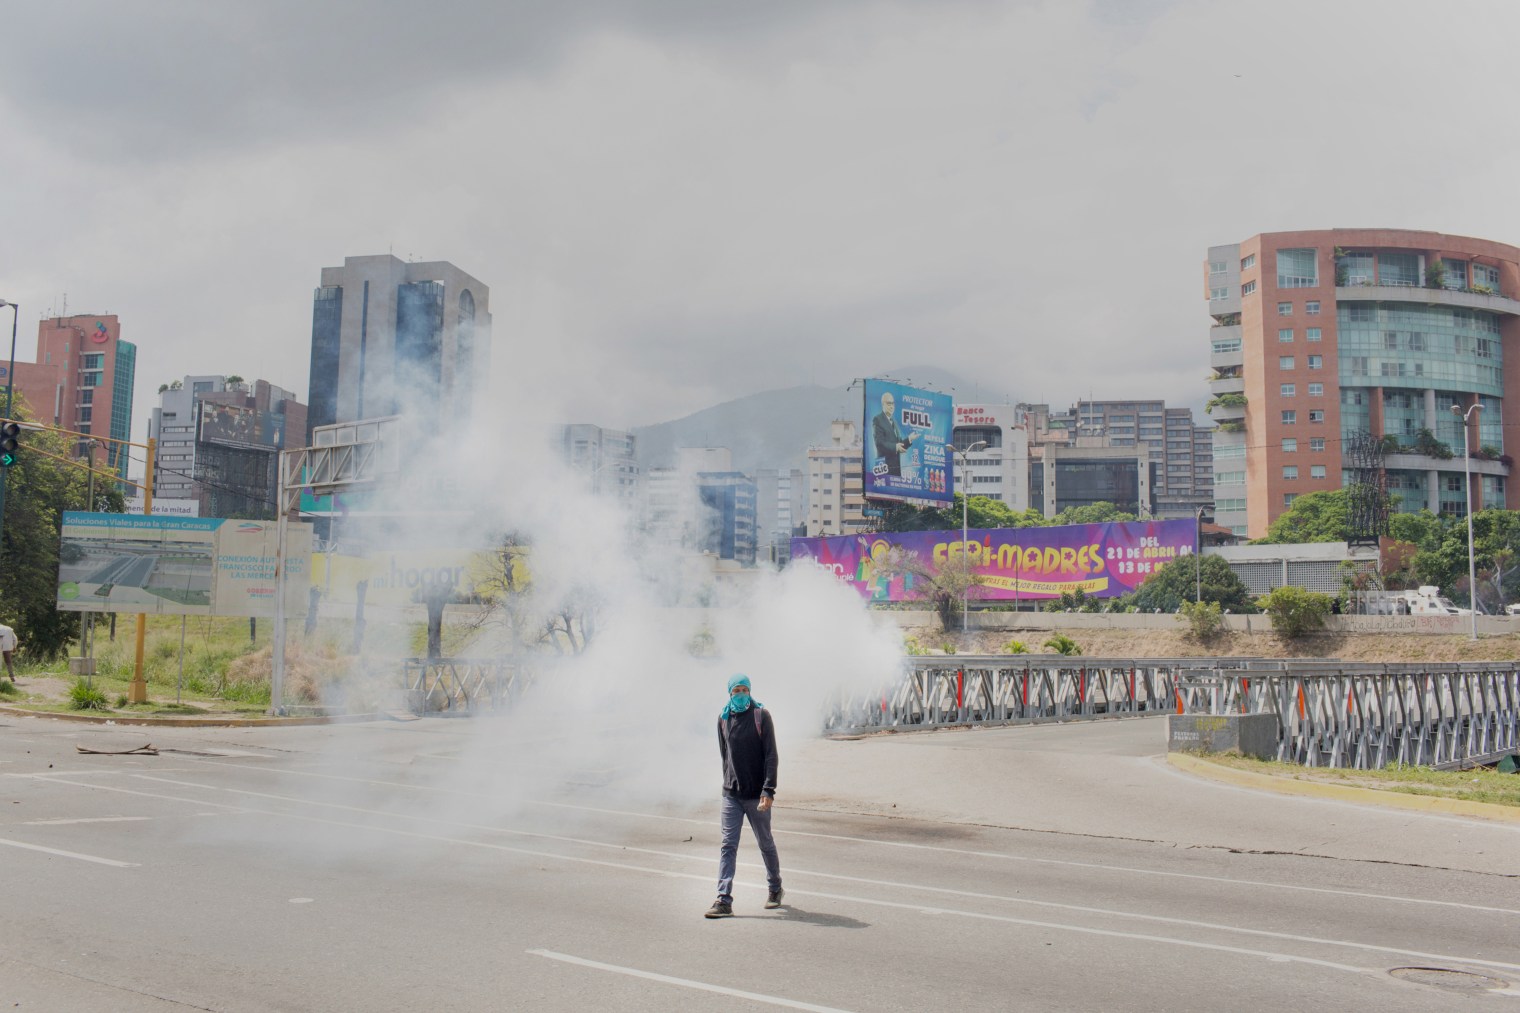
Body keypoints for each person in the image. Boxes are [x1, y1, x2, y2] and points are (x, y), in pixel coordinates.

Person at [706, 673, 783, 918]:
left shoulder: (761, 716)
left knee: (765, 842)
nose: (740, 694)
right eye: (736, 690)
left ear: (750, 691)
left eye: (744, 690)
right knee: (728, 845)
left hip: (756, 795)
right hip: (731, 794)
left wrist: (768, 790)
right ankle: (723, 899)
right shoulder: (723, 719)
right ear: (729, 693)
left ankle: (775, 887)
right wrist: (728, 782)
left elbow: (771, 755)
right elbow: (724, 755)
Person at [870, 391, 919, 478]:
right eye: (889, 404)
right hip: (884, 469)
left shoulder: (894, 422)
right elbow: (879, 443)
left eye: (893, 403)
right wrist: (896, 447)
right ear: (883, 404)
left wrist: (909, 439)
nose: (892, 406)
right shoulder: (877, 419)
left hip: (896, 471)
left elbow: (899, 444)